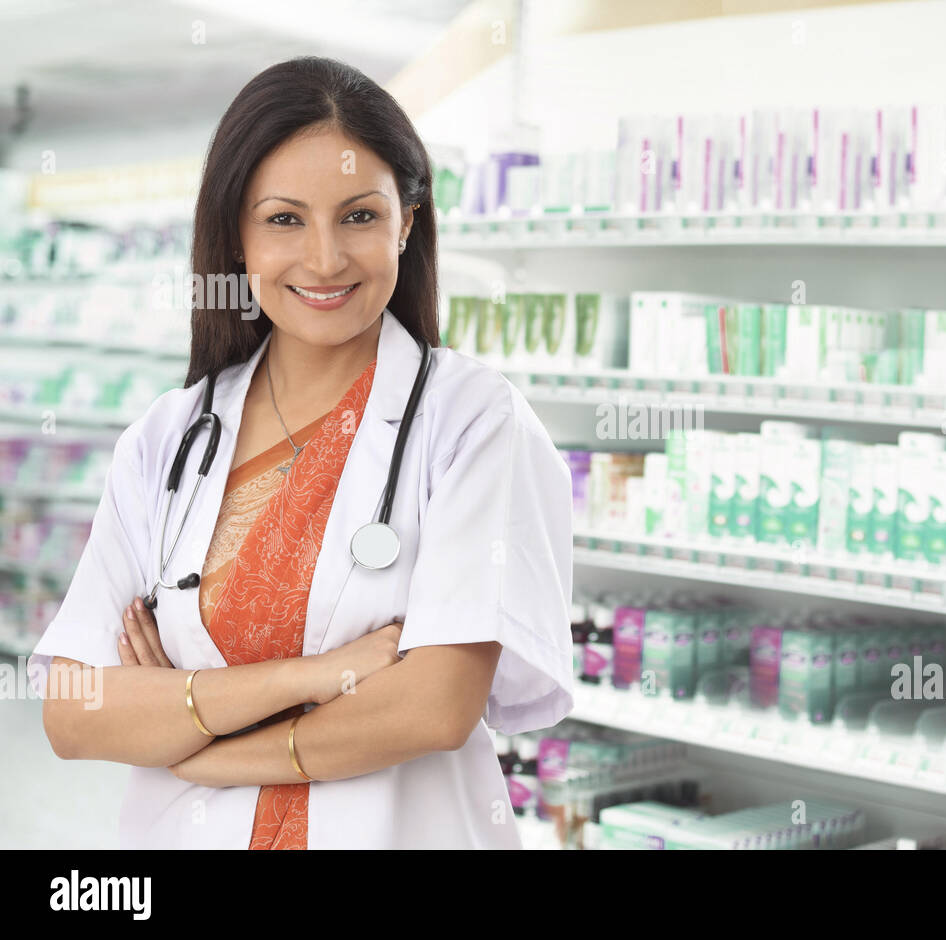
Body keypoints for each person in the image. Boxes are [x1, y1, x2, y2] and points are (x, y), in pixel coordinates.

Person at [27, 57, 575, 849]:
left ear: (407, 222)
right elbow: (74, 712)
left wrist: (195, 726)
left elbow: (434, 707)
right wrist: (311, 680)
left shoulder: (472, 421)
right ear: (238, 234)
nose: (324, 260)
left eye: (358, 216)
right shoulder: (168, 437)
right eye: (284, 220)